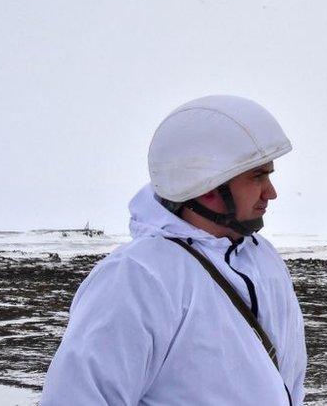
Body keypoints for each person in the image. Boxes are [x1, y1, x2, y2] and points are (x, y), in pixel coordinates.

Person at [41, 95, 306, 405]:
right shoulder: (138, 276)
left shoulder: (263, 259)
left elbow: (288, 381)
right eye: (257, 177)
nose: (271, 193)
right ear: (208, 187)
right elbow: (78, 397)